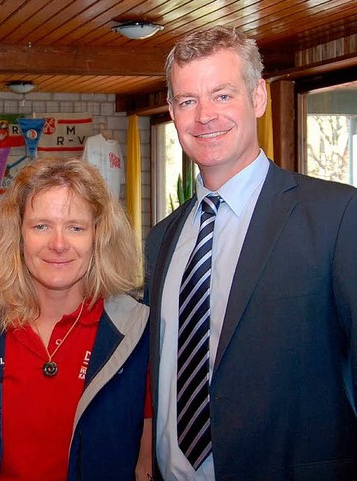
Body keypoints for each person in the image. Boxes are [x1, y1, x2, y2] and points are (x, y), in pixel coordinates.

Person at [144, 25, 357, 481]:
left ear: (258, 97)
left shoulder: (337, 217)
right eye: (187, 101)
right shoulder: (161, 239)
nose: (204, 116)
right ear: (172, 111)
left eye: (222, 95)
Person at [0, 157, 152, 481]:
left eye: (75, 228)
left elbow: (145, 464)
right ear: (19, 235)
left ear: (98, 235)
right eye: (41, 226)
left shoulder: (133, 330)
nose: (58, 244)